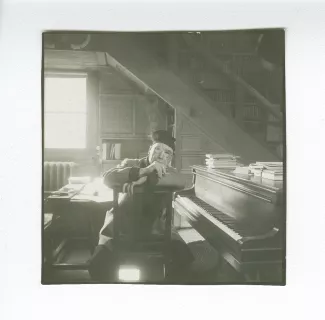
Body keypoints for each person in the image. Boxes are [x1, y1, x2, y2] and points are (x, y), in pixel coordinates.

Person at [88, 130, 194, 282]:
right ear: (150, 149)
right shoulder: (130, 164)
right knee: (98, 265)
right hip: (121, 226)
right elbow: (107, 178)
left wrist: (145, 179)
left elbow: (182, 182)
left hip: (157, 230)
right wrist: (144, 171)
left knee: (184, 262)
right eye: (157, 148)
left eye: (167, 152)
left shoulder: (170, 172)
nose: (161, 155)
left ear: (170, 158)